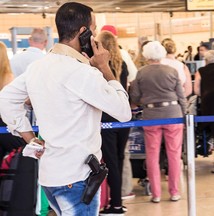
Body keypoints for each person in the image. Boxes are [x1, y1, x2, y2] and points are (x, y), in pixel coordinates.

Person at [0, 2, 131, 216]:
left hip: (50, 175)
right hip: (77, 178)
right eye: (94, 28)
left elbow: (5, 99)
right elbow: (124, 113)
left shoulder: (39, 67)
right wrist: (105, 68)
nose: (96, 34)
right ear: (83, 31)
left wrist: (29, 137)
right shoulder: (81, 72)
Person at [129, 41, 186, 203]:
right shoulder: (172, 70)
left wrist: (146, 101)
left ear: (146, 55)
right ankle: (174, 192)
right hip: (173, 114)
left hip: (151, 115)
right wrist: (184, 114)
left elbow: (135, 97)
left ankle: (156, 194)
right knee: (174, 155)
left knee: (152, 155)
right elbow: (181, 95)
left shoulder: (141, 73)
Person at [96, 30, 130, 215]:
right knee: (119, 159)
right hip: (123, 119)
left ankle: (114, 204)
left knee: (110, 163)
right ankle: (117, 202)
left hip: (107, 119)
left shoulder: (98, 67)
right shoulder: (122, 65)